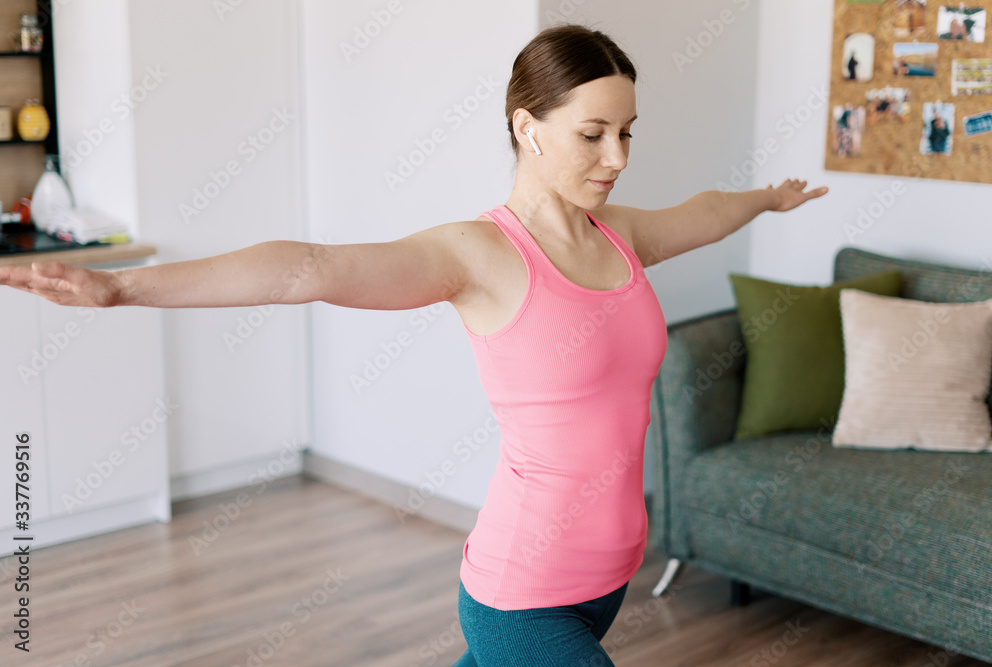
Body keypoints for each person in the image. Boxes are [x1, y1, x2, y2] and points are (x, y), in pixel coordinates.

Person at [0, 23, 827, 666]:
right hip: (523, 588)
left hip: (610, 576)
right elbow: (310, 268)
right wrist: (121, 286)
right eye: (593, 134)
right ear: (528, 127)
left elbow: (705, 209)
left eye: (629, 133)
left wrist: (766, 198)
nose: (617, 158)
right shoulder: (478, 254)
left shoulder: (620, 235)